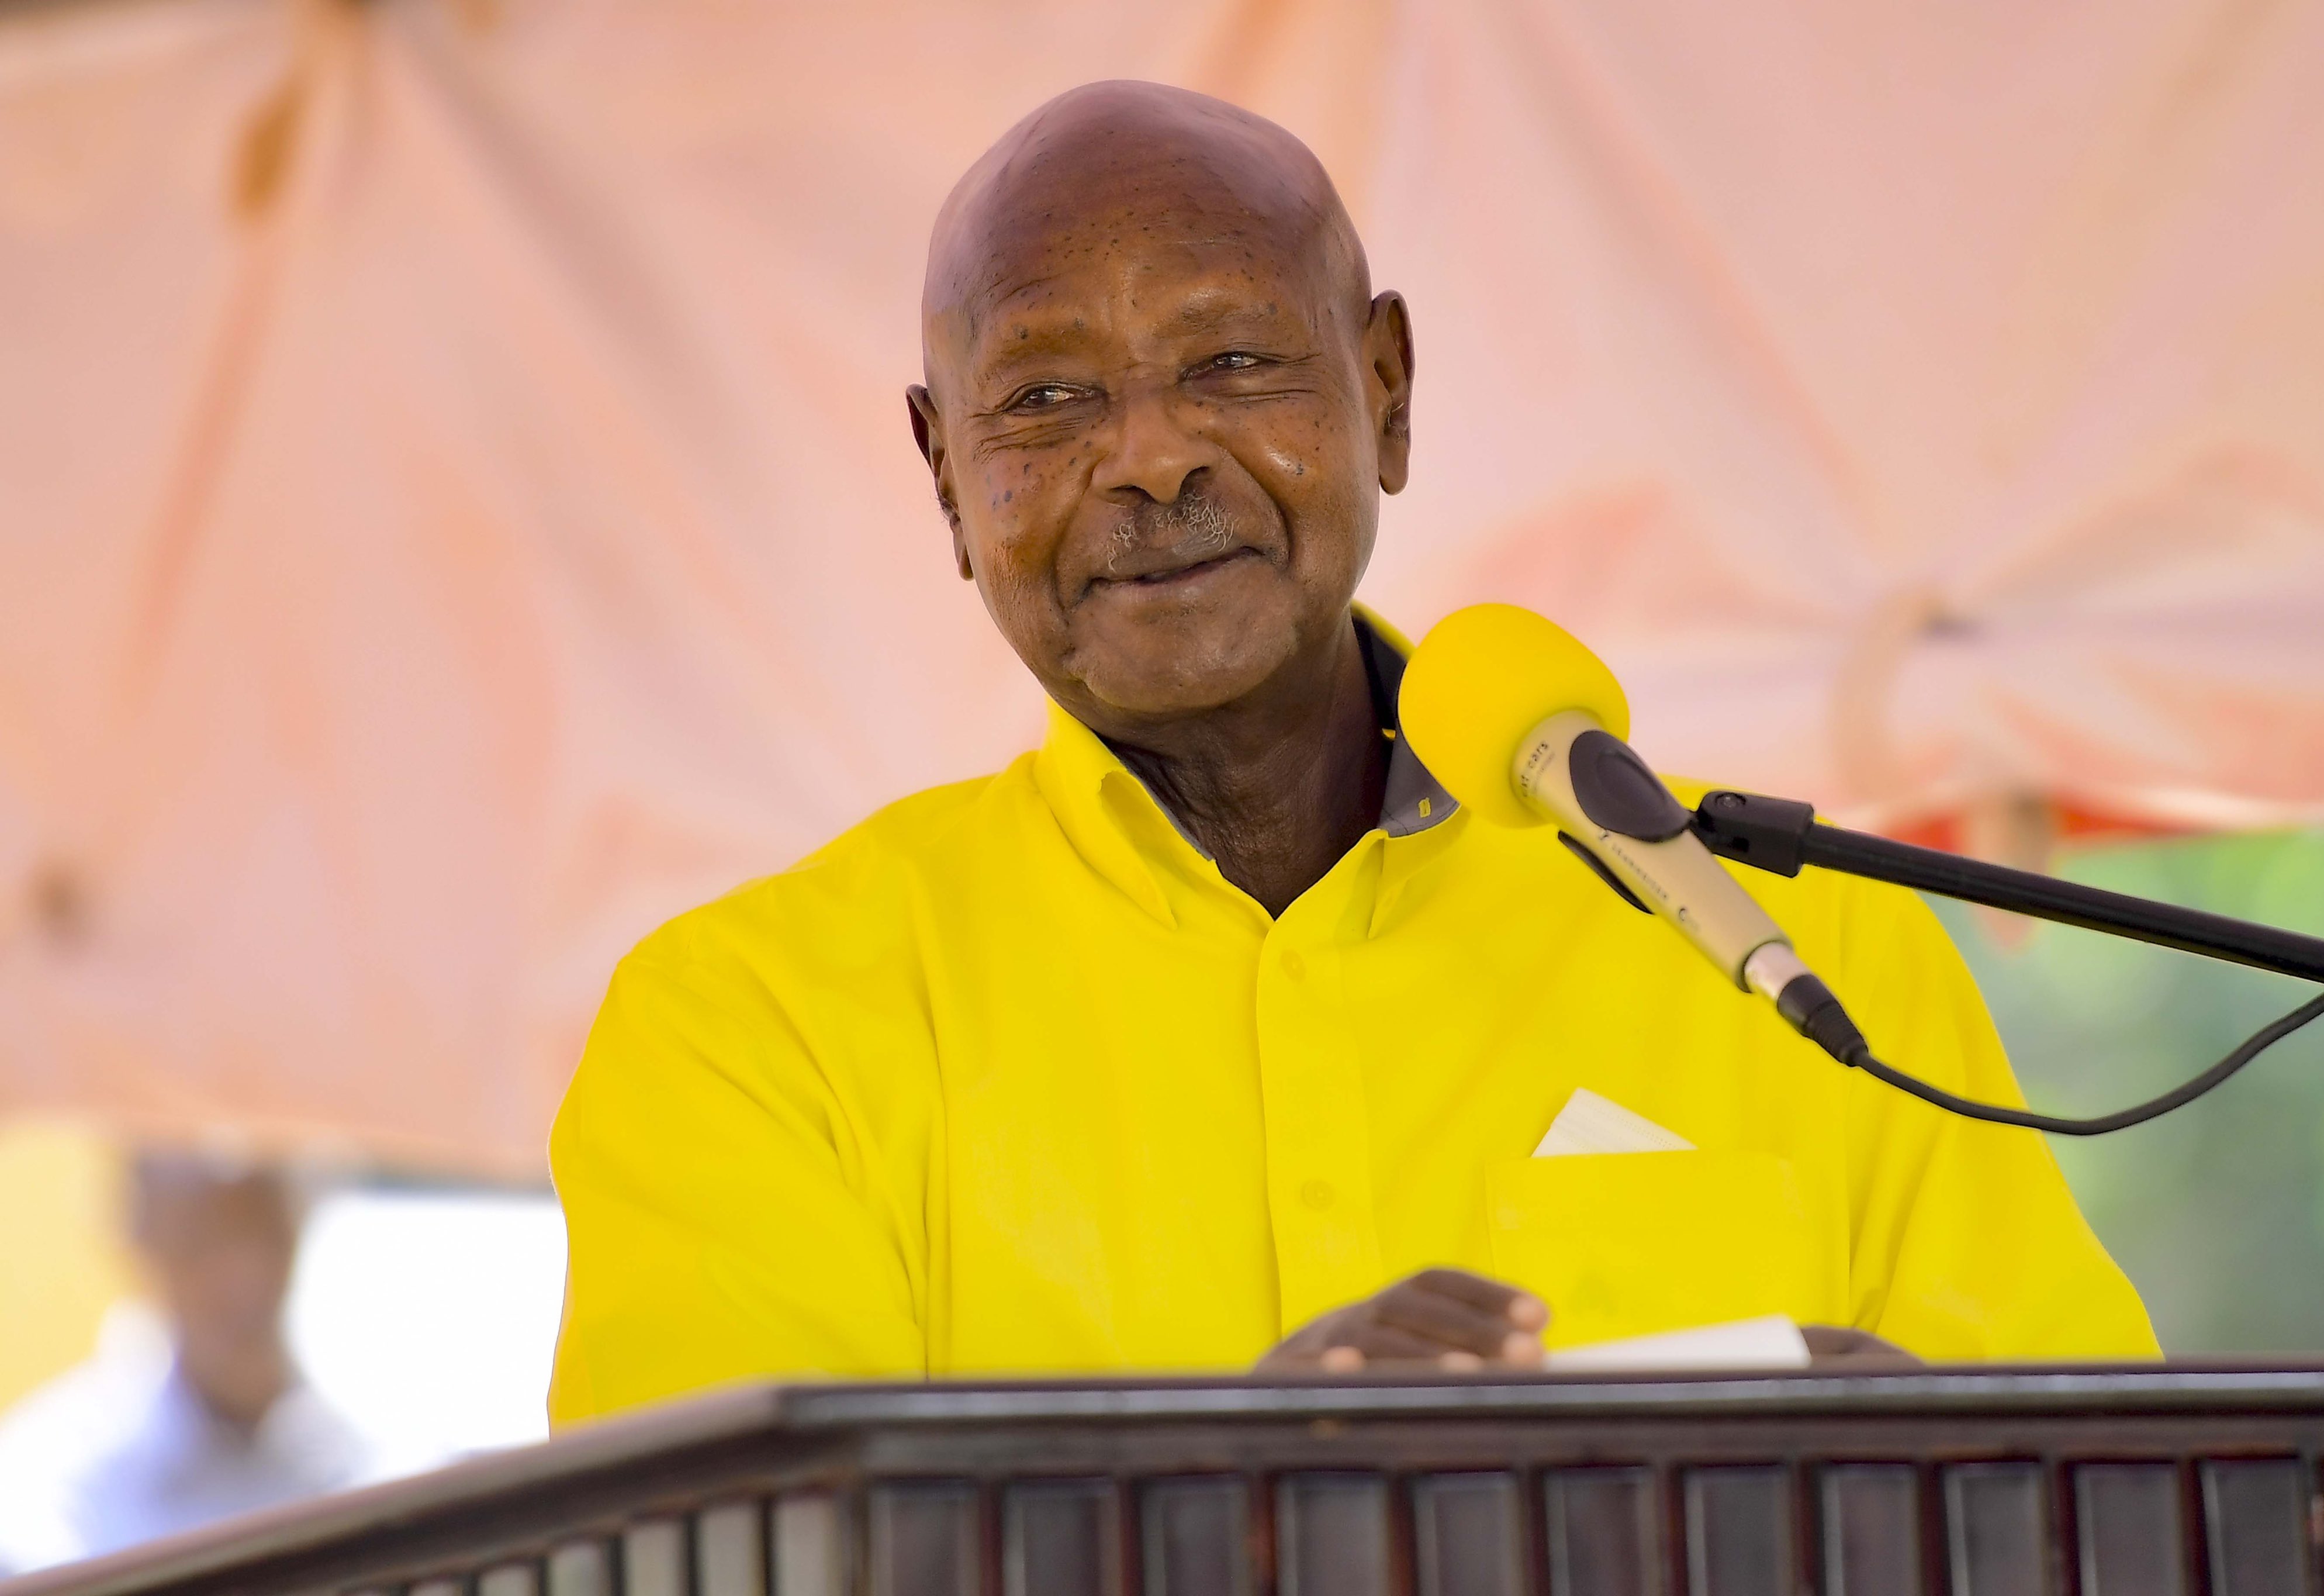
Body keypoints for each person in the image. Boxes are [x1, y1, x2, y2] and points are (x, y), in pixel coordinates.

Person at [546, 81, 2155, 1424]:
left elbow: (2092, 1507)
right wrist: (1219, 1516)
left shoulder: (1797, 955)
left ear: (1383, 393)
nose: (1150, 457)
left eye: (1232, 363)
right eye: (1045, 396)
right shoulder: (755, 1032)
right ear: (946, 476)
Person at [0, 1152, 374, 1573]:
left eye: (262, 1227)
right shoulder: (46, 1491)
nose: (244, 1276)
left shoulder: (378, 1440)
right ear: (143, 1243)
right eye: (203, 1240)